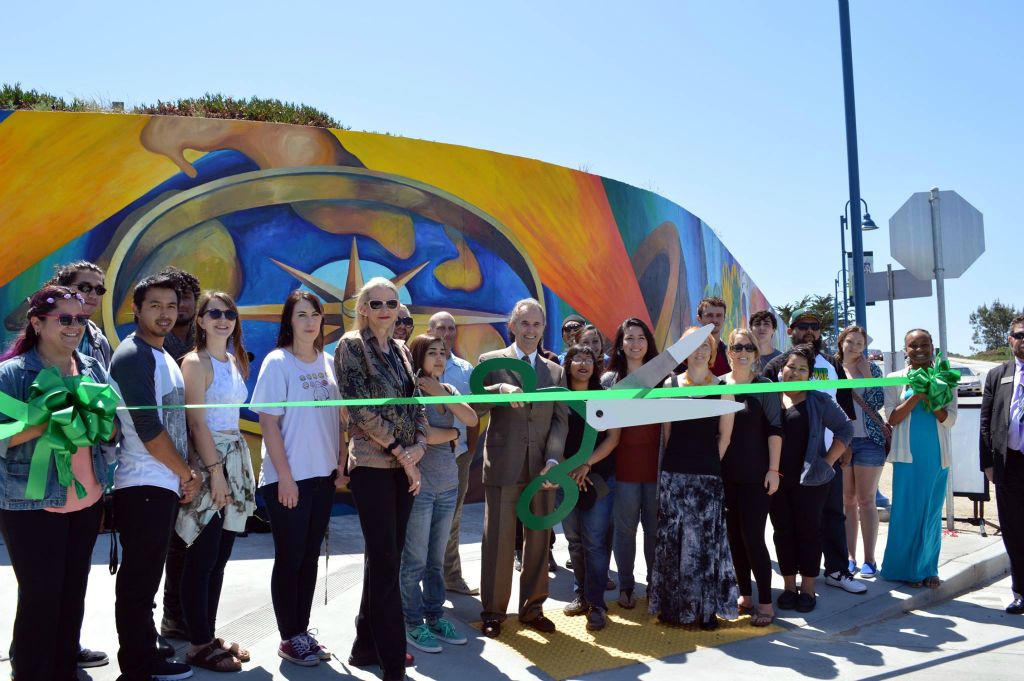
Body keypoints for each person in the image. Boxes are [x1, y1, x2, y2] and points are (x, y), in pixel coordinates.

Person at [0, 286, 112, 681]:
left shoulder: (91, 367)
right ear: (36, 322)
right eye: (64, 319)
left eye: (80, 319)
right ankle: (29, 673)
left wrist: (100, 418)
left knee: (72, 593)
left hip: (87, 498)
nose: (75, 327)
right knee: (40, 596)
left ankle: (64, 669)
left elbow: (108, 425)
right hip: (32, 503)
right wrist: (49, 419)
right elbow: (2, 435)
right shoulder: (12, 374)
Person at [108, 274, 200, 681]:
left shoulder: (164, 355)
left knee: (147, 583)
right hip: (142, 483)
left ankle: (147, 653)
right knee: (138, 585)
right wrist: (187, 474)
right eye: (154, 306)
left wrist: (181, 476)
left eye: (170, 305)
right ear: (137, 310)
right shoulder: (133, 355)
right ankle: (137, 667)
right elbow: (147, 429)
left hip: (162, 483)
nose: (165, 313)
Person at [335, 278, 427, 680]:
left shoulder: (403, 350)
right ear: (364, 308)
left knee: (382, 558)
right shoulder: (351, 346)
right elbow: (358, 408)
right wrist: (401, 452)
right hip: (373, 466)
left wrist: (420, 445)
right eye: (377, 302)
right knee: (388, 561)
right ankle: (394, 662)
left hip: (404, 465)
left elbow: (417, 404)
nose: (386, 308)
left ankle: (365, 645)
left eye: (392, 302)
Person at [251, 290, 341, 667]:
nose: (309, 321)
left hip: (323, 477)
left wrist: (341, 463)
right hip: (288, 479)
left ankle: (302, 631)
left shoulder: (330, 362)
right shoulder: (278, 362)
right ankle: (289, 636)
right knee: (289, 559)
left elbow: (337, 418)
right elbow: (268, 422)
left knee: (308, 558)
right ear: (289, 321)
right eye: (301, 314)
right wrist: (284, 477)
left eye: (315, 314)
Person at [475, 298, 568, 639]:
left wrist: (554, 461)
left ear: (544, 329)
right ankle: (493, 612)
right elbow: (473, 403)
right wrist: (498, 389)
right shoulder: (490, 363)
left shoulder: (555, 371)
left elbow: (560, 422)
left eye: (537, 324)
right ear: (511, 326)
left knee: (539, 540)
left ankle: (532, 608)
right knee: (498, 543)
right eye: (524, 323)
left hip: (542, 471)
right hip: (503, 466)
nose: (531, 330)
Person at [176, 292, 256, 671]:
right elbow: (196, 423)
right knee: (202, 557)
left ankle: (207, 633)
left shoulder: (235, 360)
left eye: (229, 313)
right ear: (202, 321)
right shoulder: (195, 362)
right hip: (210, 462)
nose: (223, 319)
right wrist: (215, 473)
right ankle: (198, 643)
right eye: (215, 313)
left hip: (234, 459)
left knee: (220, 558)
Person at [763, 307, 865, 595]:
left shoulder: (832, 362)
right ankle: (793, 581)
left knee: (833, 514)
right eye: (802, 325)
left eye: (815, 326)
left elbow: (845, 407)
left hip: (826, 457)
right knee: (789, 525)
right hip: (785, 463)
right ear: (791, 330)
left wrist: (842, 450)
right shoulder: (777, 366)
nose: (809, 331)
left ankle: (836, 570)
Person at [47, 261, 112, 669]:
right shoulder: (43, 334)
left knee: (76, 573)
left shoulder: (99, 340)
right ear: (60, 289)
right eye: (82, 287)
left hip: (89, 474)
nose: (90, 295)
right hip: (46, 474)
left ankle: (67, 647)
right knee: (42, 581)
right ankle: (33, 653)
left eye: (98, 290)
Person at [649, 327, 737, 629]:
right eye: (693, 346)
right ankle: (672, 609)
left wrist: (708, 465)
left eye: (705, 346)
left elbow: (724, 438)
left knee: (705, 546)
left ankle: (705, 610)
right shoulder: (669, 384)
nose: (699, 352)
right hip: (674, 474)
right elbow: (668, 432)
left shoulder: (725, 386)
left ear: (712, 352)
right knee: (672, 543)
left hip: (707, 478)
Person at [399, 334, 478, 653]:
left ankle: (434, 616)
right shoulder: (411, 390)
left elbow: (471, 418)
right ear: (418, 356)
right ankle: (411, 621)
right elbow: (424, 435)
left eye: (443, 353)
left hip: (448, 486)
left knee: (435, 559)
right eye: (432, 353)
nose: (440, 359)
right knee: (414, 559)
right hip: (420, 487)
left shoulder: (449, 390)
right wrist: (453, 432)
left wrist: (441, 393)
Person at [769, 345, 854, 613]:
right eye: (791, 367)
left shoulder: (818, 400)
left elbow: (845, 428)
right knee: (782, 533)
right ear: (782, 369)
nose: (795, 372)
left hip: (810, 480)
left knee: (808, 533)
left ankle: (807, 588)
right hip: (775, 480)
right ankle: (788, 586)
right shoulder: (768, 396)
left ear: (809, 375)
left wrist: (828, 461)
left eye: (802, 369)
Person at [882, 329, 957, 588]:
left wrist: (932, 398)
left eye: (924, 344)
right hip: (907, 457)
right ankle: (903, 570)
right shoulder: (894, 378)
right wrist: (916, 395)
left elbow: (951, 420)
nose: (919, 349)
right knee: (907, 513)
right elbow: (891, 418)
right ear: (906, 350)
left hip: (936, 456)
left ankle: (928, 569)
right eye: (913, 345)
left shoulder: (945, 377)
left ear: (933, 346)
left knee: (931, 514)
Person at [721, 328, 782, 626]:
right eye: (737, 347)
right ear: (728, 352)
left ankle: (766, 603)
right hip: (725, 476)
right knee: (734, 538)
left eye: (748, 347)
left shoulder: (766, 386)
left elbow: (775, 430)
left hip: (757, 477)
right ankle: (745, 595)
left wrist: (773, 470)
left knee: (754, 539)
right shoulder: (717, 385)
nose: (743, 352)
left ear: (756, 354)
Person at [559, 344, 621, 631]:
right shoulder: (557, 398)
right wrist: (568, 469)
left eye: (588, 358)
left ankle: (597, 604)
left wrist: (586, 465)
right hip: (565, 480)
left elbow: (613, 439)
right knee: (574, 541)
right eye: (576, 358)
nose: (583, 363)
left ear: (596, 366)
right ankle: (581, 595)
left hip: (599, 479)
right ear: (567, 364)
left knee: (595, 543)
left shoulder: (605, 397)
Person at [602, 317, 661, 609]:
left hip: (656, 469)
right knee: (624, 531)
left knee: (654, 530)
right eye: (629, 338)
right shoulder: (608, 381)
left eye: (641, 338)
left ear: (648, 343)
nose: (635, 343)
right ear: (620, 345)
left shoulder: (665, 377)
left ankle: (654, 584)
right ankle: (626, 585)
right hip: (622, 469)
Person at [156, 265, 201, 644]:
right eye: (173, 298)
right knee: (170, 543)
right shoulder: (158, 344)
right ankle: (172, 618)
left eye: (186, 297)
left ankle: (188, 615)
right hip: (165, 458)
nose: (181, 305)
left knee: (194, 543)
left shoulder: (204, 342)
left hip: (202, 458)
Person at [427, 312, 482, 597]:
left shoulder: (465, 370)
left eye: (451, 328)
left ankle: (451, 576)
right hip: (422, 458)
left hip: (457, 456)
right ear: (429, 330)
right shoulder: (417, 367)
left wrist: (470, 451)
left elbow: (473, 413)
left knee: (452, 519)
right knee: (420, 521)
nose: (446, 333)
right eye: (440, 328)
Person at [980, 315, 1024, 614]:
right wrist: (987, 464)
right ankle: (1021, 591)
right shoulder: (998, 374)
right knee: (1014, 530)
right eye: (1020, 334)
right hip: (1010, 465)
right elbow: (985, 421)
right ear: (1010, 339)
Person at [835, 325, 887, 578]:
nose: (854, 347)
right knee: (847, 501)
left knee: (867, 500)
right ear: (841, 342)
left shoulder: (873, 368)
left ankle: (870, 559)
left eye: (860, 343)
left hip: (870, 440)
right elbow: (825, 399)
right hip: (841, 441)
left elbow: (879, 403)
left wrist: (868, 376)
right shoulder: (831, 368)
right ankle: (849, 557)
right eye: (850, 341)